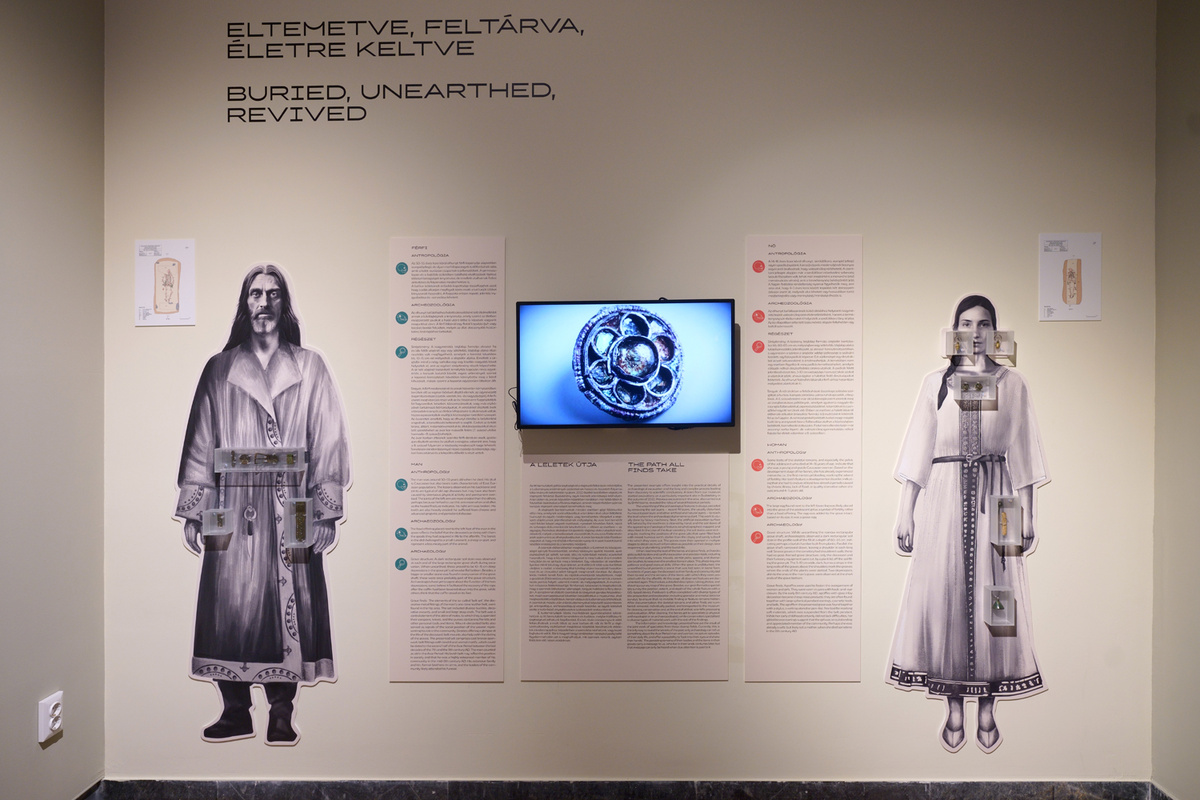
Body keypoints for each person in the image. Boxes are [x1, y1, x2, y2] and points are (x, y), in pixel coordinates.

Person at [175, 263, 350, 745]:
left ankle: (281, 712)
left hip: (293, 501)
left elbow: (329, 437)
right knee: (227, 605)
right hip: (229, 502)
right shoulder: (219, 368)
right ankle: (234, 710)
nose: (264, 303)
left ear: (284, 304)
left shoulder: (310, 366)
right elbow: (201, 439)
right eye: (256, 294)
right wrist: (194, 507)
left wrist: (325, 508)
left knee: (291, 602)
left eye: (273, 294)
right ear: (244, 303)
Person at [887, 294, 1048, 754]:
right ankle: (954, 704)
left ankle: (989, 705)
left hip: (1000, 498)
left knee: (1000, 600)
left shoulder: (1013, 383)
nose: (975, 332)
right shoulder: (934, 384)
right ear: (955, 330)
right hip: (945, 494)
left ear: (994, 331)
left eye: (983, 323)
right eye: (966, 323)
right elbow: (919, 447)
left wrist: (1029, 511)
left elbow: (1024, 449)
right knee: (948, 595)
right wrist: (905, 510)